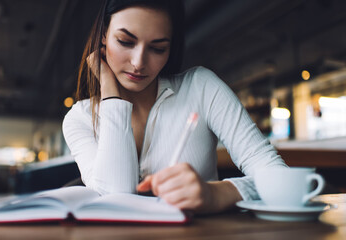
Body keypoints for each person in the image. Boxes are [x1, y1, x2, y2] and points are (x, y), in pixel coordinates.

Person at [62, 0, 287, 214]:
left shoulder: (201, 88)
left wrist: (215, 194)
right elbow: (114, 196)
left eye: (158, 48)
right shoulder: (79, 119)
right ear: (103, 35)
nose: (139, 62)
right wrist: (110, 94)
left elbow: (280, 179)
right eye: (125, 42)